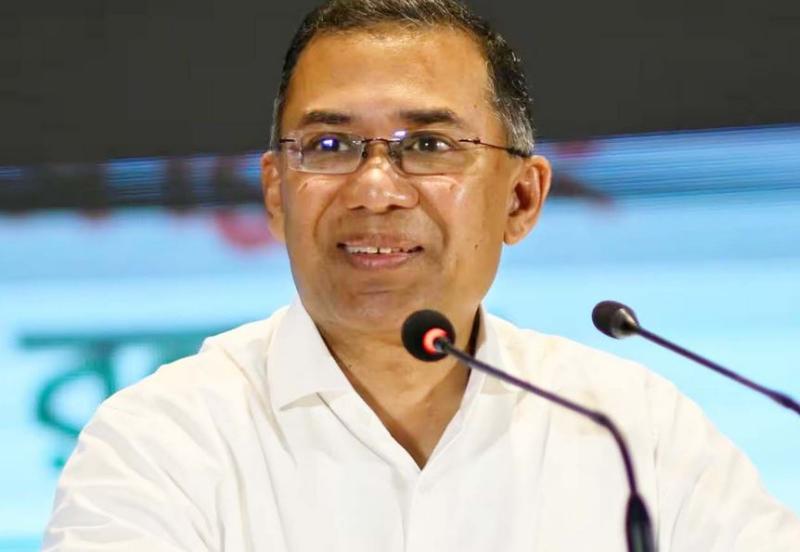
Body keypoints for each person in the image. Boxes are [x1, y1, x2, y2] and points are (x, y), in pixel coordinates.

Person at [43, 0, 800, 550]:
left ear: (521, 198)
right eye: (330, 146)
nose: (375, 189)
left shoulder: (630, 429)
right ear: (275, 194)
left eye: (429, 146)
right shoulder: (160, 441)